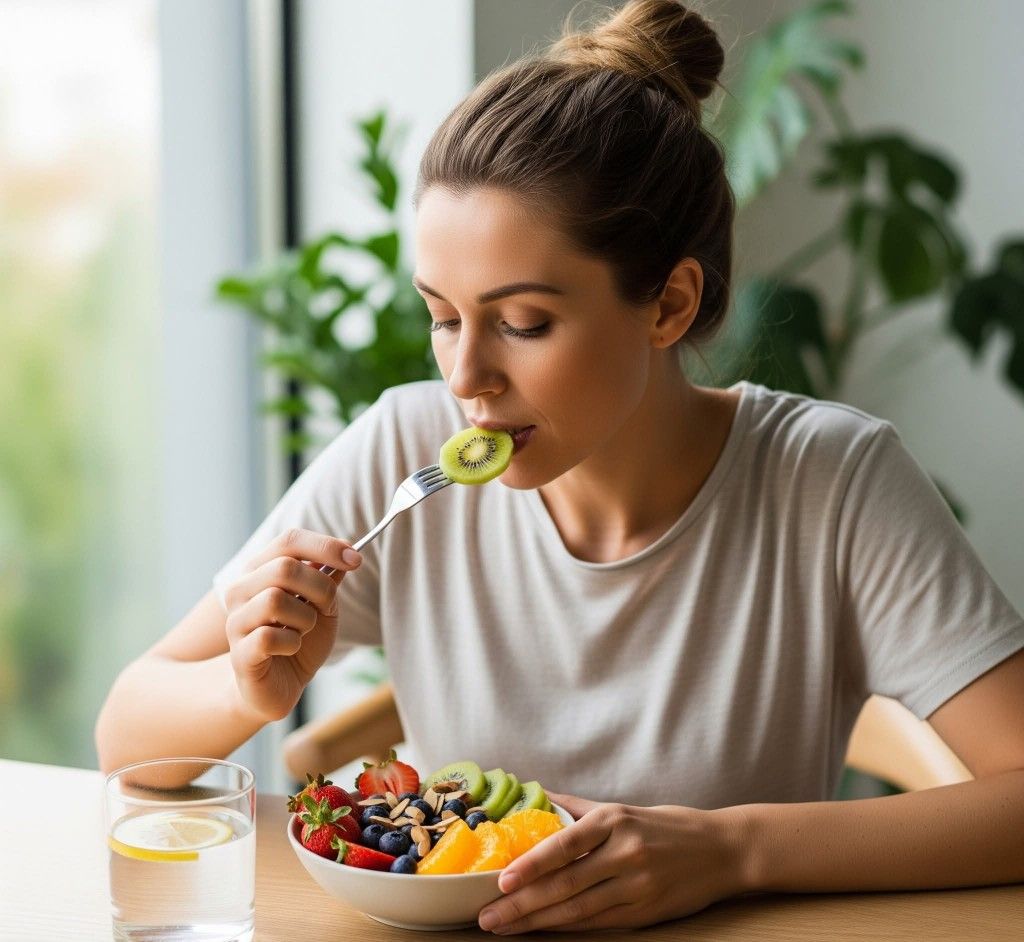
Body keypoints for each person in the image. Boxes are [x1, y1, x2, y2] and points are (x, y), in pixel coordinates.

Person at [96, 0, 1024, 932]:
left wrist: (732, 851)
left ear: (668, 305)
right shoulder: (403, 452)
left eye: (523, 323)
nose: (465, 377)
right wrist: (241, 688)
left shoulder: (831, 480)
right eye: (444, 316)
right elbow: (126, 738)